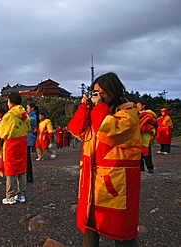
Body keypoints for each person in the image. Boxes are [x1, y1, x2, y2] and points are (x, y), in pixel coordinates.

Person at [67, 73, 141, 246]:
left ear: (112, 91)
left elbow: (110, 134)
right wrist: (85, 108)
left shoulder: (128, 114)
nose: (99, 96)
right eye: (96, 92)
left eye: (102, 92)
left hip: (117, 182)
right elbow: (77, 130)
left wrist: (99, 107)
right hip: (92, 181)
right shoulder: (97, 112)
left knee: (122, 231)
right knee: (90, 225)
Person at [0, 93, 30, 205]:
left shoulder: (9, 116)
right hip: (22, 143)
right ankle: (21, 195)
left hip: (11, 144)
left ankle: (9, 196)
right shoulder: (25, 114)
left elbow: (2, 133)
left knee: (10, 170)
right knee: (22, 170)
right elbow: (28, 128)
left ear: (11, 102)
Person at [137, 101, 157, 173]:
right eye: (137, 106)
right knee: (139, 153)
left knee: (147, 152)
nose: (138, 107)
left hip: (146, 135)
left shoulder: (149, 114)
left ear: (143, 106)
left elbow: (154, 123)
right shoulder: (135, 114)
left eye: (139, 105)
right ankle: (141, 167)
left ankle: (150, 167)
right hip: (138, 135)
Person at [25, 103, 38, 182]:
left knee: (27, 158)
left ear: (32, 108)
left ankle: (29, 176)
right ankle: (28, 176)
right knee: (26, 158)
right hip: (27, 137)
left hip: (28, 138)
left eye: (28, 108)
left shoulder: (32, 117)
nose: (26, 109)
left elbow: (27, 122)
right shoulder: (30, 116)